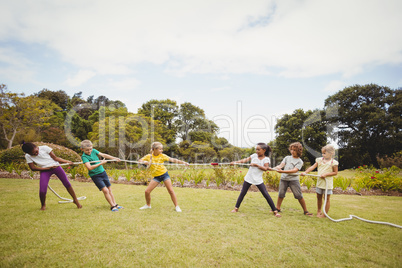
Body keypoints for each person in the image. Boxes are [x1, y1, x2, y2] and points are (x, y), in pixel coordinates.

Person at [22, 142, 82, 210]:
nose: (35, 154)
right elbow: (33, 168)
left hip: (56, 167)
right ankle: (43, 205)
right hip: (44, 171)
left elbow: (55, 158)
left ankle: (75, 200)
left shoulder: (44, 148)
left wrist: (66, 161)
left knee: (67, 183)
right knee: (42, 190)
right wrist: (47, 168)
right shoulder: (27, 156)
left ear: (36, 147)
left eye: (36, 152)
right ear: (28, 153)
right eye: (32, 154)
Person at [230, 143, 281, 217]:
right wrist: (235, 162)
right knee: (242, 193)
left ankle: (275, 211)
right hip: (249, 178)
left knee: (266, 194)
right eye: (256, 149)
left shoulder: (266, 159)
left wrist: (256, 165)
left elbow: (265, 169)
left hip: (258, 179)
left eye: (258, 149)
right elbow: (245, 160)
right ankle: (236, 208)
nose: (257, 151)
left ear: (264, 150)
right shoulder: (254, 155)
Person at [138, 142, 189, 212]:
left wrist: (184, 163)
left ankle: (177, 206)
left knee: (170, 191)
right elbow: (139, 161)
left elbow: (173, 160)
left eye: (162, 149)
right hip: (156, 177)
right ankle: (148, 205)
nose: (161, 150)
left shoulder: (162, 156)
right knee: (147, 191)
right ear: (154, 149)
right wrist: (144, 162)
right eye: (160, 149)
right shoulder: (149, 156)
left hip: (164, 174)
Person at [268, 142, 313, 216]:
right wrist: (272, 169)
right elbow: (280, 166)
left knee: (298, 195)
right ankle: (277, 208)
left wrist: (283, 171)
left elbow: (294, 170)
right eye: (291, 149)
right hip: (284, 179)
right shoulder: (287, 158)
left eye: (294, 150)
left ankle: (306, 211)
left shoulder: (300, 161)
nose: (292, 151)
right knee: (281, 194)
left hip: (293, 180)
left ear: (298, 151)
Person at [80, 140, 122, 212]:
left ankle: (115, 204)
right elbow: (89, 167)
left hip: (102, 172)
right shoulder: (84, 157)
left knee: (109, 189)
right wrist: (100, 163)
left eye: (90, 149)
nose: (89, 151)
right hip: (95, 175)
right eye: (87, 150)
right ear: (82, 149)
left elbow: (104, 155)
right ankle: (112, 206)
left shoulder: (94, 151)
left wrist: (114, 158)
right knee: (105, 190)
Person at [301, 145, 338, 218]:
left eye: (325, 153)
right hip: (320, 183)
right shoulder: (319, 160)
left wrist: (326, 174)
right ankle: (319, 211)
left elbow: (335, 173)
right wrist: (306, 172)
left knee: (326, 198)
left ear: (331, 153)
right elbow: (312, 167)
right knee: (319, 197)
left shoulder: (333, 162)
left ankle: (324, 214)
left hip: (327, 184)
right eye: (322, 153)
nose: (323, 154)